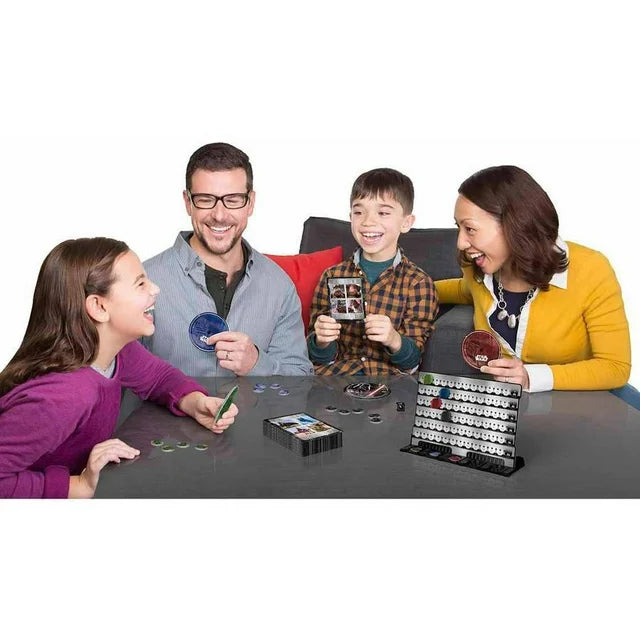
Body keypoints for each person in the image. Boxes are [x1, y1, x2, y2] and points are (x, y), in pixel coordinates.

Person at [0, 238, 238, 499]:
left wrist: (195, 403)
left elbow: (159, 377)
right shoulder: (64, 397)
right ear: (99, 307)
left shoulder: (116, 351)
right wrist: (77, 486)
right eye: (140, 284)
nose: (155, 289)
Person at [435, 165, 631, 392]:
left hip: (585, 399)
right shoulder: (477, 271)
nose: (460, 242)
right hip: (511, 403)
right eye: (458, 227)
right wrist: (411, 288)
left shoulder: (591, 269)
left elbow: (615, 367)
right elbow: (461, 290)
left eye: (470, 229)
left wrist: (532, 377)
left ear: (514, 224)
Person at [142, 142, 313, 377]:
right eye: (205, 199)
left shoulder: (279, 286)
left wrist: (257, 364)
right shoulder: (144, 282)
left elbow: (300, 379)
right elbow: (118, 379)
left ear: (250, 203)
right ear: (188, 202)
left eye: (233, 200)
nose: (220, 215)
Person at [307, 168, 439, 375]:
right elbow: (317, 357)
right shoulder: (331, 276)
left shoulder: (418, 283)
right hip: (335, 378)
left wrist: (394, 339)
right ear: (350, 217)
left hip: (388, 381)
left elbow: (413, 362)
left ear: (406, 223)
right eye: (359, 212)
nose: (368, 221)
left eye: (383, 213)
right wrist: (321, 341)